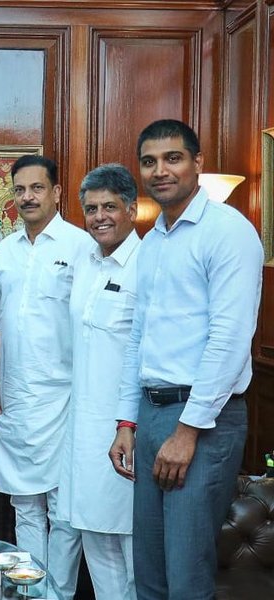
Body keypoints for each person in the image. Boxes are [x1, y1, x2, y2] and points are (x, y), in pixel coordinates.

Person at [109, 119, 263, 600]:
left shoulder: (228, 232)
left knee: (187, 574)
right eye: (150, 161)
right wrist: (126, 423)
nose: (161, 170)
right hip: (152, 416)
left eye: (173, 158)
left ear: (197, 163)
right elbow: (139, 337)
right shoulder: (153, 240)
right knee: (150, 569)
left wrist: (188, 430)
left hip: (202, 421)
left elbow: (230, 340)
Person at [0, 155, 92, 598]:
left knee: (64, 509)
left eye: (37, 188)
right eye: (20, 189)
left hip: (68, 396)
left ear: (57, 192)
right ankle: (31, 592)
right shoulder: (5, 249)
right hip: (15, 394)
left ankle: (58, 594)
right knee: (24, 504)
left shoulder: (81, 245)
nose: (28, 197)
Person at [57, 164, 140, 599]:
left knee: (130, 539)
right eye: (91, 208)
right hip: (83, 427)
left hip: (126, 426)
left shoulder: (147, 264)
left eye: (109, 206)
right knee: (93, 534)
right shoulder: (85, 261)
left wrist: (130, 425)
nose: (99, 216)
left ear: (133, 209)